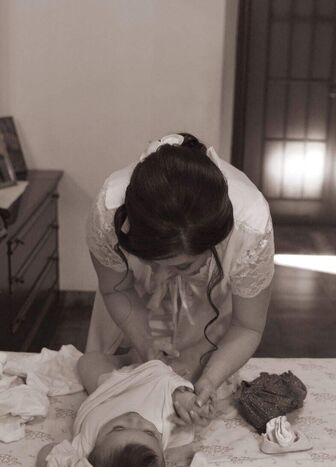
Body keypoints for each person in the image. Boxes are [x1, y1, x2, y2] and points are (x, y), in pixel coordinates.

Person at [86, 132, 274, 420]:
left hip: (209, 306)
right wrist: (146, 344)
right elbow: (116, 290)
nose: (161, 276)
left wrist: (211, 378)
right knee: (114, 385)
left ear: (214, 244)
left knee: (194, 375)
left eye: (182, 265)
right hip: (128, 298)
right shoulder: (110, 208)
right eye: (151, 261)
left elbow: (247, 326)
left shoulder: (250, 226)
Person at [36, 352, 213, 467]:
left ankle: (126, 357)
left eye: (118, 428)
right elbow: (179, 411)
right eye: (150, 433)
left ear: (93, 450)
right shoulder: (166, 424)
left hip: (111, 390)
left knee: (87, 360)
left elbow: (47, 454)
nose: (135, 420)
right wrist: (191, 404)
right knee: (183, 375)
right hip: (151, 387)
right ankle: (135, 358)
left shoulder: (84, 449)